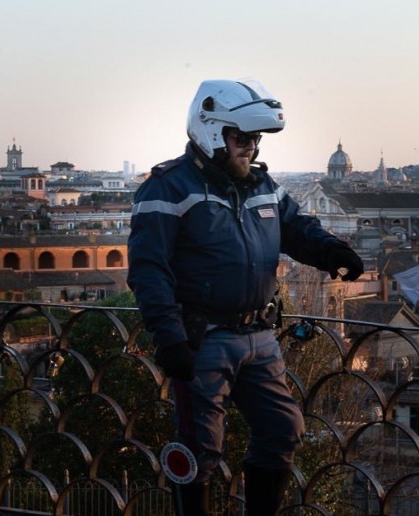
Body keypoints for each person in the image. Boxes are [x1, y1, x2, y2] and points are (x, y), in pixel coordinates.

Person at [127, 79, 364, 515]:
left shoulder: (263, 185)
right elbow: (148, 270)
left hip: (260, 335)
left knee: (283, 428)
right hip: (201, 338)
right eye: (242, 137)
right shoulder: (167, 188)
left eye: (255, 138)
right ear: (212, 132)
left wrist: (332, 251)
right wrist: (169, 338)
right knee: (200, 447)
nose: (251, 147)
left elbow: (296, 228)